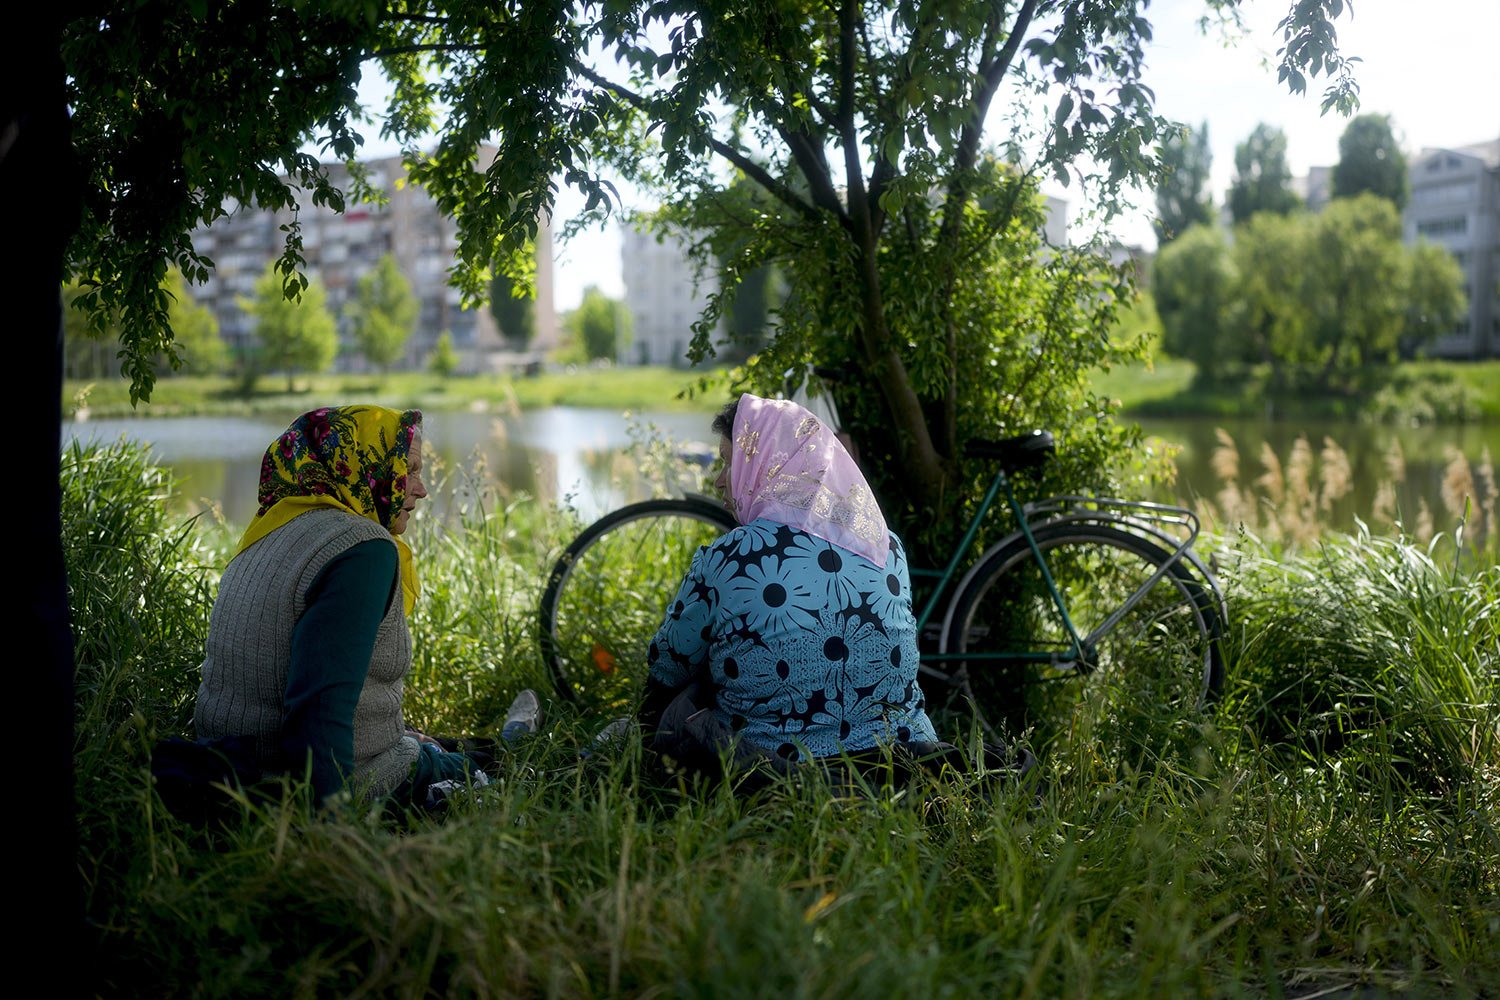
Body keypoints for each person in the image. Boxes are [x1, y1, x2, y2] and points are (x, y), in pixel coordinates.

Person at [192, 405, 539, 810]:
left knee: (435, 745)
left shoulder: (267, 531)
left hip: (230, 767)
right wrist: (333, 832)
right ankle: (525, 740)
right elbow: (317, 719)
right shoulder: (360, 550)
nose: (421, 488)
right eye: (407, 469)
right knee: (525, 770)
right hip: (312, 785)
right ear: (366, 463)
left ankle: (494, 739)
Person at [639, 392, 941, 782]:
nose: (718, 481)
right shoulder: (888, 546)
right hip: (900, 761)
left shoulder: (729, 555)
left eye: (729, 464)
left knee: (688, 683)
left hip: (772, 768)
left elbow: (666, 665)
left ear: (767, 467)